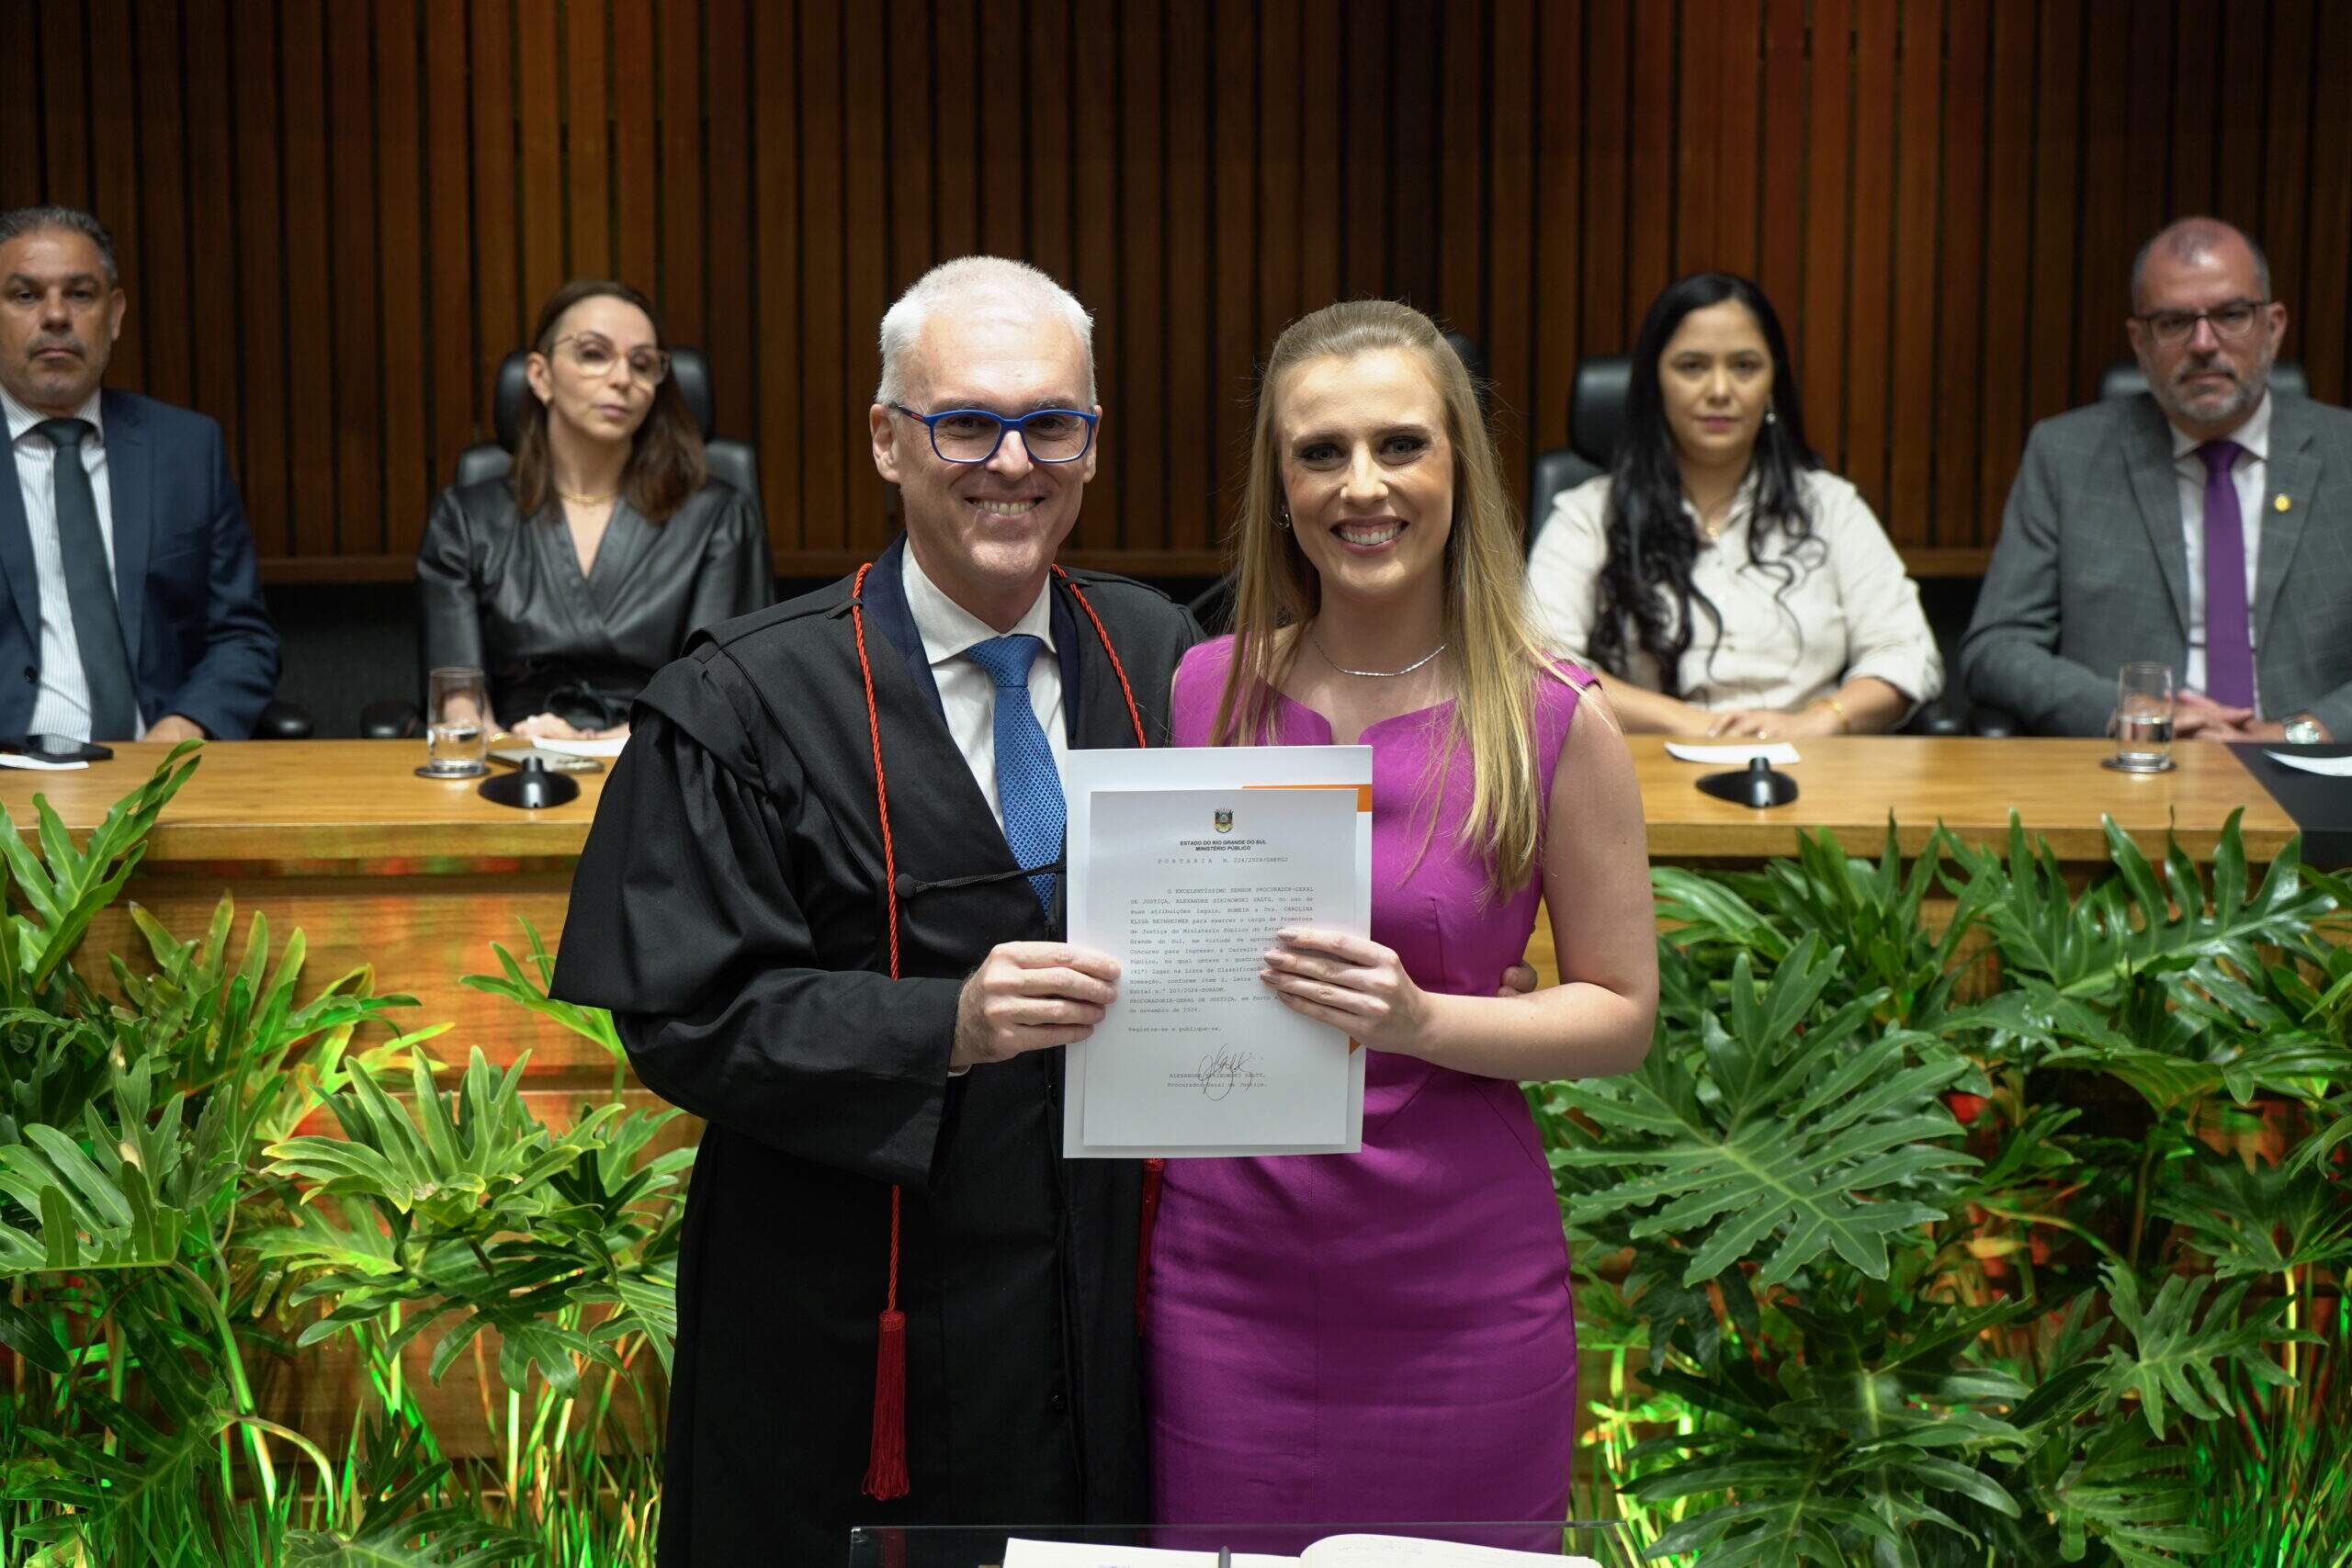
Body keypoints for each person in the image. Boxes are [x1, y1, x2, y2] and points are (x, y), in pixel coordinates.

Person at [548, 257, 1199, 1562]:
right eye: (965, 423)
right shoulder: (745, 699)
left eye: (1052, 423)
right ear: (887, 442)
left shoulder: (1163, 656)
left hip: (1098, 1308)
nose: (1011, 462)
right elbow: (686, 1015)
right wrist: (943, 1026)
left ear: (1091, 444)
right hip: (846, 1313)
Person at [1148, 300, 1657, 1543]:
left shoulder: (1554, 714)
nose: (1362, 486)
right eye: (1321, 452)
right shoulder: (1203, 687)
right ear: (1280, 485)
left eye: (1400, 445)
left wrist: (1424, 1019)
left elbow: (1621, 1014)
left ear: (1459, 467)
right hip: (1227, 1280)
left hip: (1461, 1286)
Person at [1962, 216, 2352, 741]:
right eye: (2173, 322)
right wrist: (2128, 712)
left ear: (2274, 326)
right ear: (2139, 341)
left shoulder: (2345, 453)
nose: (2204, 343)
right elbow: (1996, 647)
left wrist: (2299, 734)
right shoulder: (2066, 456)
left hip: (2311, 766)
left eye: (2231, 315)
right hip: (2136, 765)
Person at [1525, 273, 1941, 738]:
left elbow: (1907, 651)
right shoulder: (1588, 515)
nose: (1720, 390)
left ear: (1772, 383)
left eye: (1744, 366)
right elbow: (1539, 662)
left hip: (1809, 760)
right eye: (1692, 367)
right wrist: (1686, 722)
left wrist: (1820, 721)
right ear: (1655, 383)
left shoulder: (1831, 507)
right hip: (1645, 762)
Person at [414, 279, 771, 740]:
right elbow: (458, 703)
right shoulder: (464, 519)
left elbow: (714, 693)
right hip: (512, 757)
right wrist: (520, 748)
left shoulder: (717, 517)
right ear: (540, 375)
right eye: (594, 354)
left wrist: (599, 747)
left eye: (642, 364)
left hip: (664, 758)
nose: (622, 378)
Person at [0, 204, 278, 742]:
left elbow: (244, 637)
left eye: (80, 294)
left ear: (115, 314)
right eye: (26, 296)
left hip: (154, 768)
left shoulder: (186, 449)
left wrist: (183, 727)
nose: (56, 316)